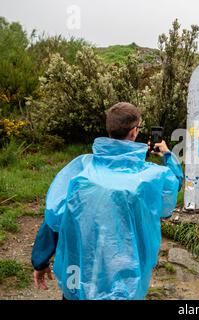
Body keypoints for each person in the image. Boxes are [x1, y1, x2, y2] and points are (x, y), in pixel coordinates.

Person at [31, 102, 183, 300]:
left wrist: (40, 261)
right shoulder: (149, 178)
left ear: (109, 129)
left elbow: (54, 216)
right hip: (125, 279)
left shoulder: (80, 171)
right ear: (134, 131)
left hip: (80, 270)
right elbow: (174, 184)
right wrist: (167, 154)